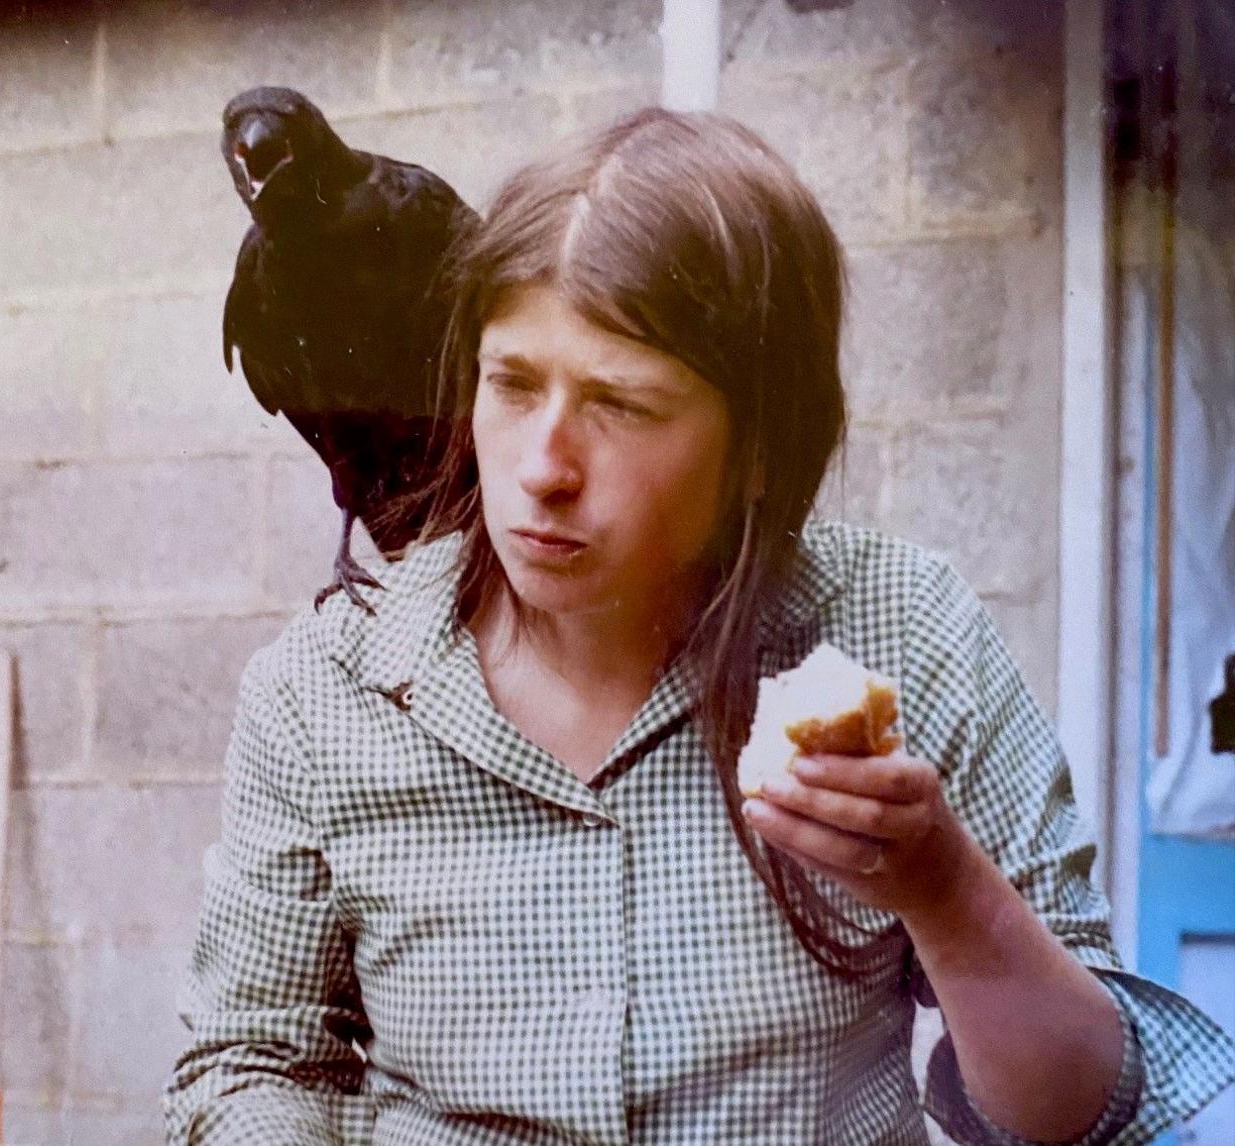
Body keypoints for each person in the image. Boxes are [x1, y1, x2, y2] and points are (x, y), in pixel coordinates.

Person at [163, 108, 1235, 1145]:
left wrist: (941, 887)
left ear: (762, 444)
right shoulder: (323, 689)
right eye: (512, 384)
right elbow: (254, 1062)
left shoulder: (898, 628)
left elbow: (1074, 1113)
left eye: (622, 405)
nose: (544, 469)